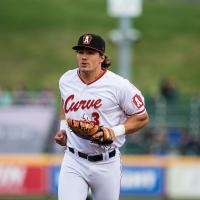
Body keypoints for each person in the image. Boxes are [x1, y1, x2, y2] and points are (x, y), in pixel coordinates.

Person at [54, 33, 149, 200]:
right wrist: (63, 130)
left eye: (90, 53)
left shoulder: (119, 85)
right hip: (74, 159)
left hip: (107, 162)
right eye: (80, 51)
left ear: (101, 57)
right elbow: (65, 104)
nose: (83, 57)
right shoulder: (66, 80)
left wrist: (114, 131)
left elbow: (142, 117)